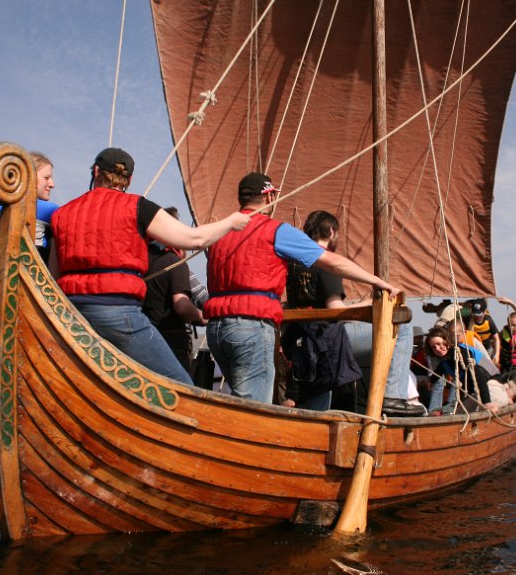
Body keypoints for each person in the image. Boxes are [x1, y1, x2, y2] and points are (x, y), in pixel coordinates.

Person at [51, 148, 250, 385]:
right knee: (179, 385)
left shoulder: (61, 214)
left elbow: (53, 275)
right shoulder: (138, 207)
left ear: (95, 172)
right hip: (118, 312)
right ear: (130, 179)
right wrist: (231, 222)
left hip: (70, 314)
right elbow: (194, 239)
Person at [204, 173, 400, 404]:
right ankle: (393, 399)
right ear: (269, 197)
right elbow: (333, 262)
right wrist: (377, 281)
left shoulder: (218, 233)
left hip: (216, 330)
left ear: (241, 198)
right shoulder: (275, 231)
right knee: (252, 408)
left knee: (238, 402)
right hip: (251, 327)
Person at [281, 210, 422, 415]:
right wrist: (367, 304)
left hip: (302, 342)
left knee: (318, 398)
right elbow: (336, 310)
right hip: (326, 340)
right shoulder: (326, 262)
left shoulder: (294, 265)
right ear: (331, 231)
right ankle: (393, 396)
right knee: (402, 328)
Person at [0, 151, 58, 396]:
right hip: (19, 305)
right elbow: (77, 219)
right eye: (46, 177)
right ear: (27, 177)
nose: (52, 184)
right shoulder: (42, 209)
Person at [143, 207, 207, 374]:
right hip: (171, 343)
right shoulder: (174, 263)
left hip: (142, 340)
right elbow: (182, 306)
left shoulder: (140, 262)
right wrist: (201, 317)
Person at [422, 324, 500, 414]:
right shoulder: (446, 359)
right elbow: (440, 368)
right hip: (476, 391)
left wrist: (487, 402)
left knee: (460, 413)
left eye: (439, 344)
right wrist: (432, 381)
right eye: (433, 347)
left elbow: (478, 375)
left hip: (490, 386)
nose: (437, 349)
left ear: (447, 340)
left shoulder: (461, 353)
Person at [467, 299, 501, 364]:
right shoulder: (469, 321)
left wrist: (496, 354)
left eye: (480, 314)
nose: (478, 317)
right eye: (475, 314)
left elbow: (496, 338)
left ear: (485, 312)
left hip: (487, 349)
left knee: (489, 365)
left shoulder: (488, 321)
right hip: (475, 349)